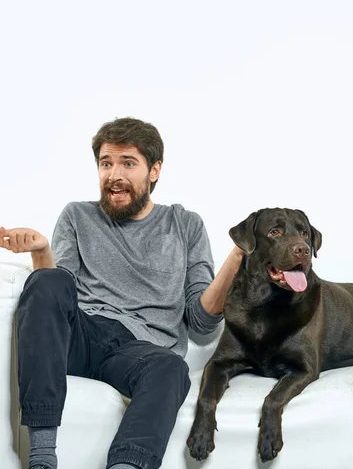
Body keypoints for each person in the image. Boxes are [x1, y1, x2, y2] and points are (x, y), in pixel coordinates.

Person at [0, 117, 243, 469]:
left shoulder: (185, 225)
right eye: (106, 163)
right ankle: (41, 458)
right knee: (47, 280)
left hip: (141, 351)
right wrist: (41, 252)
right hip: (84, 334)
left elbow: (201, 324)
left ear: (154, 171)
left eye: (128, 163)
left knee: (172, 368)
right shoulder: (77, 216)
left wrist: (236, 257)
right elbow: (57, 296)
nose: (114, 175)